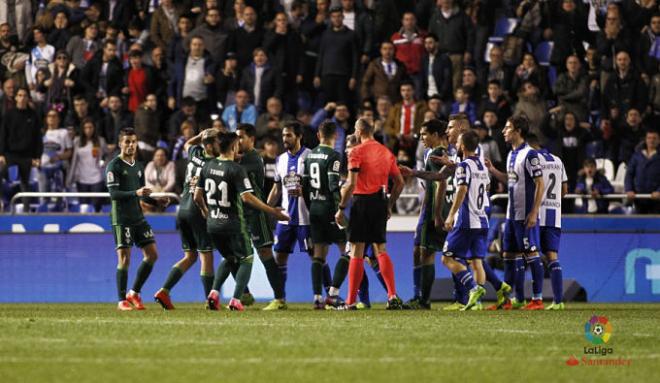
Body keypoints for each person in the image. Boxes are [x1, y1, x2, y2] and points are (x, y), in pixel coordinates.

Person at [194, 132, 289, 311]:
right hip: (235, 219)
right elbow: (247, 197)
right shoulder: (236, 168)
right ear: (233, 147)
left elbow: (197, 196)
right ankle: (237, 298)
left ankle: (215, 293)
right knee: (246, 258)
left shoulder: (211, 165)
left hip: (222, 221)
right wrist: (272, 211)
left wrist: (206, 212)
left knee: (233, 257)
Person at [335, 118, 405, 309]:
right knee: (380, 249)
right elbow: (400, 182)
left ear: (358, 131)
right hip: (380, 201)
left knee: (357, 251)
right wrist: (389, 205)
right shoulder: (386, 152)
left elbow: (350, 183)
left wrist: (341, 208)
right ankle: (392, 296)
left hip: (361, 202)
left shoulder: (356, 152)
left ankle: (350, 301)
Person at [154, 129, 220, 310]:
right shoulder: (213, 163)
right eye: (216, 142)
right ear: (209, 145)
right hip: (198, 210)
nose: (219, 145)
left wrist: (200, 135)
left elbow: (187, 144)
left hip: (182, 209)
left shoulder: (195, 154)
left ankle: (164, 290)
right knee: (206, 257)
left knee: (190, 256)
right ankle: (211, 301)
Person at [484, 116, 546, 310]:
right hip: (511, 216)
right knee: (509, 256)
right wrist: (493, 170)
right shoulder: (511, 154)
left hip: (525, 215)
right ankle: (510, 299)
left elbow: (540, 183)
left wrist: (534, 211)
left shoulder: (530, 155)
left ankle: (537, 299)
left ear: (518, 131)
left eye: (507, 128)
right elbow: (511, 179)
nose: (503, 131)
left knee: (531, 254)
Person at [106, 128, 168, 311]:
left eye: (133, 142)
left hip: (138, 217)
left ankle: (134, 292)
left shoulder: (139, 166)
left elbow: (142, 194)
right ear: (120, 144)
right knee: (124, 259)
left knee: (152, 254)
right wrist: (136, 193)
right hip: (122, 218)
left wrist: (157, 201)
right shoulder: (114, 166)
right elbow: (114, 194)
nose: (131, 145)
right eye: (127, 142)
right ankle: (121, 301)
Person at [398, 119, 449, 309]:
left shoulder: (437, 153)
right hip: (427, 209)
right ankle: (417, 296)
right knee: (417, 251)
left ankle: (424, 300)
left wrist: (436, 214)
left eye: (424, 134)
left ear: (435, 135)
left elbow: (440, 183)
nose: (421, 138)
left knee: (427, 252)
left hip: (435, 210)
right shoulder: (431, 153)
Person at [236, 124, 287, 310]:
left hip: (256, 214)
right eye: (236, 137)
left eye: (241, 137)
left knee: (265, 254)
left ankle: (280, 299)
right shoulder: (241, 158)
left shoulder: (253, 159)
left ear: (252, 139)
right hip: (241, 215)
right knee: (236, 255)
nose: (238, 141)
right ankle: (245, 294)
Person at [266, 122, 316, 308]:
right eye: (283, 135)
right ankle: (280, 299)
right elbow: (277, 188)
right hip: (286, 218)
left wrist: (306, 190)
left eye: (288, 135)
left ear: (299, 136)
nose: (284, 139)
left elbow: (319, 186)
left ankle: (327, 296)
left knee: (316, 257)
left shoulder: (311, 156)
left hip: (306, 219)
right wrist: (267, 209)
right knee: (279, 257)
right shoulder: (280, 160)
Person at [302, 121, 350, 309]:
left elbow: (304, 187)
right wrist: (340, 208)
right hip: (330, 209)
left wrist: (311, 206)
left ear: (318, 135)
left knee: (318, 255)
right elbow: (332, 185)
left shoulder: (310, 155)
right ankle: (333, 294)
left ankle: (316, 297)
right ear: (336, 136)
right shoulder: (334, 156)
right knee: (347, 249)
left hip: (314, 209)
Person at [442, 130, 490, 311]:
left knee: (447, 259)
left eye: (458, 143)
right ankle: (477, 303)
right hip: (482, 219)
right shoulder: (482, 166)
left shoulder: (463, 166)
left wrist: (451, 215)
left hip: (467, 220)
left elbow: (462, 190)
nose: (455, 145)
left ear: (462, 145)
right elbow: (487, 188)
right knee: (476, 261)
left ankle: (473, 289)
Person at [527, 134, 568, 310]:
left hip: (536, 214)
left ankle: (536, 299)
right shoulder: (558, 160)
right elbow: (565, 189)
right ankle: (558, 301)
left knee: (531, 254)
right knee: (552, 257)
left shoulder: (532, 159)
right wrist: (554, 203)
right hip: (554, 214)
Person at [0, 88, 42, 212]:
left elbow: (37, 138)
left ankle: (26, 211)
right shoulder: (8, 115)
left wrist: (37, 157)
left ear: (28, 98)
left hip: (27, 156)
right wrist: (1, 154)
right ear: (16, 98)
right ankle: (1, 202)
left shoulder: (33, 115)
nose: (22, 98)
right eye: (20, 95)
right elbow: (3, 135)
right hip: (10, 154)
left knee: (25, 183)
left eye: (25, 95)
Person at [67, 118, 108, 212]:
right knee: (84, 206)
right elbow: (73, 161)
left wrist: (103, 162)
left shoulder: (101, 141)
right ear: (82, 129)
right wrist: (70, 178)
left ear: (94, 128)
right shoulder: (77, 141)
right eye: (86, 128)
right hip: (82, 178)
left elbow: (106, 155)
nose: (88, 130)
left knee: (96, 205)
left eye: (90, 127)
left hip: (97, 177)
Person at [38, 110, 72, 199]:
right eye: (49, 116)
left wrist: (59, 157)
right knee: (43, 196)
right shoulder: (41, 133)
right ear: (46, 119)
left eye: (54, 116)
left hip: (58, 168)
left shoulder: (63, 132)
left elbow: (69, 152)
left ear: (58, 119)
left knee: (59, 196)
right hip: (43, 168)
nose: (51, 118)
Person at [625, 129, 660, 214]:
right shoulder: (636, 156)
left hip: (656, 199)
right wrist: (629, 189)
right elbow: (629, 174)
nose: (651, 140)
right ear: (645, 140)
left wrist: (659, 191)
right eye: (649, 138)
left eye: (654, 138)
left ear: (659, 140)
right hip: (638, 198)